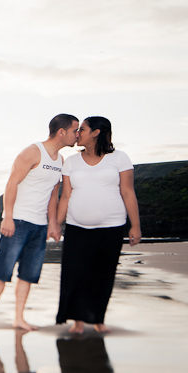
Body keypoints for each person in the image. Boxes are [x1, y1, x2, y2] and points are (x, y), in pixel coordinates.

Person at [0, 114, 79, 331]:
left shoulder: (60, 161)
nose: (77, 134)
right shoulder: (33, 152)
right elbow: (11, 183)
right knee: (3, 271)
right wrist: (7, 216)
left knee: (29, 273)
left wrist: (53, 223)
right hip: (17, 222)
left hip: (39, 227)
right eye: (75, 130)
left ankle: (19, 318)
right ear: (61, 132)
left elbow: (53, 194)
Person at [54, 116, 142, 334]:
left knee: (103, 274)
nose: (78, 133)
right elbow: (65, 196)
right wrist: (56, 224)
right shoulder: (71, 162)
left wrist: (135, 225)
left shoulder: (119, 158)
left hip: (112, 226)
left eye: (82, 129)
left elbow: (128, 192)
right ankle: (78, 320)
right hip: (76, 226)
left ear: (96, 132)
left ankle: (97, 318)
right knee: (74, 273)